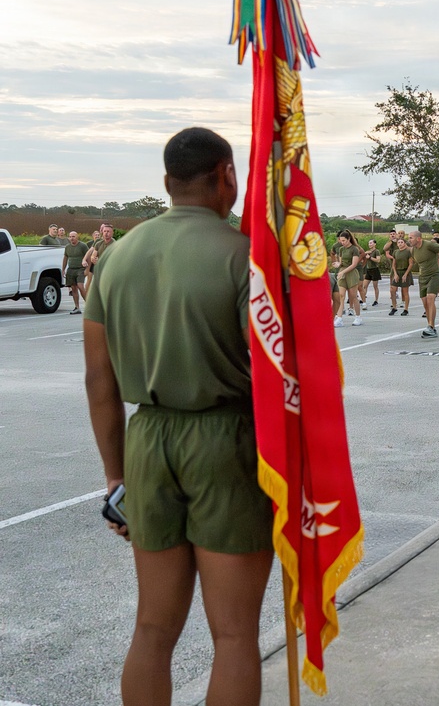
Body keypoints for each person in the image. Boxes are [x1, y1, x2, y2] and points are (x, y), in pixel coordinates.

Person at [83, 127, 273, 706]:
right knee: (235, 635)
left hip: (147, 441)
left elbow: (99, 379)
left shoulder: (115, 256)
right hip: (227, 437)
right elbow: (272, 374)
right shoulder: (244, 255)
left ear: (167, 183)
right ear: (227, 176)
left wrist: (116, 479)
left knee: (152, 628)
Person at [410, 231, 439, 338]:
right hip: (422, 277)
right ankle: (431, 327)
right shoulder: (413, 250)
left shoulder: (429, 245)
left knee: (430, 298)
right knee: (425, 302)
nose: (409, 240)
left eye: (411, 238)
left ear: (418, 239)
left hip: (434, 274)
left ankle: (431, 326)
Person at [336, 232, 363, 326]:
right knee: (341, 296)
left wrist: (343, 271)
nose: (342, 242)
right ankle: (339, 318)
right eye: (341, 240)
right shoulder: (341, 249)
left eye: (344, 240)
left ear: (348, 239)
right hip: (342, 272)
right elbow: (341, 262)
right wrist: (338, 265)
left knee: (353, 296)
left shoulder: (354, 249)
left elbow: (354, 264)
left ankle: (358, 317)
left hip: (351, 273)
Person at [63, 231, 89, 313]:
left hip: (80, 269)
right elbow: (65, 258)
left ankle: (89, 305)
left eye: (73, 236)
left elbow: (88, 257)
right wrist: (63, 269)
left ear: (77, 237)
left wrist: (87, 269)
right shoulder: (67, 247)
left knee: (80, 286)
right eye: (70, 236)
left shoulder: (83, 246)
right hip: (71, 269)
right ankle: (77, 307)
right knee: (73, 288)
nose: (72, 238)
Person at [390, 237, 413, 316]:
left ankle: (406, 309)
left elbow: (411, 264)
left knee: (405, 291)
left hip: (405, 271)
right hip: (397, 272)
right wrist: (395, 274)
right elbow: (394, 264)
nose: (400, 244)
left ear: (404, 243)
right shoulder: (396, 252)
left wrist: (405, 274)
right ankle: (394, 307)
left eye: (401, 242)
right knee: (392, 290)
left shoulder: (408, 251)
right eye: (399, 242)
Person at [360, 239, 381, 308]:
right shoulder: (367, 252)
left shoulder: (376, 251)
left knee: (375, 286)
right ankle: (363, 300)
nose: (370, 244)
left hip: (375, 270)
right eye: (369, 243)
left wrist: (370, 257)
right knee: (364, 286)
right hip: (368, 270)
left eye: (371, 243)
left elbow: (378, 260)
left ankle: (376, 300)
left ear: (375, 244)